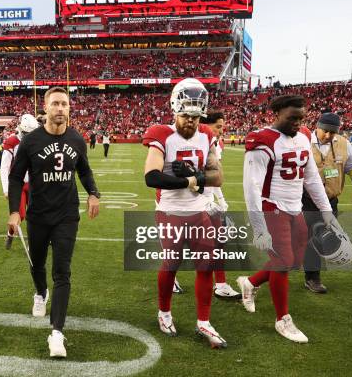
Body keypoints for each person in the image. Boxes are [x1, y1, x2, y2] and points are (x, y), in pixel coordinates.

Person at [7, 87, 100, 358]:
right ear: (45, 108)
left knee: (62, 271)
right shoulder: (31, 141)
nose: (60, 108)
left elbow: (84, 169)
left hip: (66, 216)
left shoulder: (77, 139)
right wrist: (15, 211)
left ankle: (57, 332)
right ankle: (40, 292)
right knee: (37, 263)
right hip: (38, 215)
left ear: (69, 109)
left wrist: (93, 193)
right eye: (55, 104)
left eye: (65, 104)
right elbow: (15, 178)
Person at [238, 95, 339, 343]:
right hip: (272, 206)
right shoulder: (264, 140)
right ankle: (282, 319)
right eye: (291, 117)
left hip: (295, 207)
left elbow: (312, 179)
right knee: (283, 261)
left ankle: (250, 283)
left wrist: (326, 212)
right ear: (276, 114)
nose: (297, 122)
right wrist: (259, 228)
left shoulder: (303, 138)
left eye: (300, 118)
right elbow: (251, 187)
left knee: (292, 261)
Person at [142, 78, 226, 348]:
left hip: (199, 210)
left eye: (195, 116)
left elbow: (218, 176)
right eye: (186, 115)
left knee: (206, 266)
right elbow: (152, 177)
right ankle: (164, 313)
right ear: (175, 110)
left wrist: (196, 176)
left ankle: (204, 321)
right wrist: (186, 182)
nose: (191, 121)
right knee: (171, 264)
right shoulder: (161, 134)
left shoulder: (207, 135)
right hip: (170, 211)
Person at [302, 113, 352, 293]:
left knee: (322, 238)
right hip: (306, 200)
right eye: (326, 131)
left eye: (333, 132)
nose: (329, 135)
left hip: (330, 200)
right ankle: (311, 276)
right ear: (317, 126)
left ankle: (312, 274)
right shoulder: (304, 142)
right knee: (311, 239)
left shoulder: (344, 144)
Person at [201, 111, 240, 299]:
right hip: (188, 202)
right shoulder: (192, 143)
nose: (221, 130)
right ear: (205, 125)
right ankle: (171, 277)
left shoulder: (216, 144)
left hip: (208, 202)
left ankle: (221, 284)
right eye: (218, 126)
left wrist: (220, 201)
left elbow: (215, 178)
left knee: (219, 240)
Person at [0, 114, 39, 249]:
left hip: (34, 183)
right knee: (20, 214)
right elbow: (4, 167)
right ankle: (10, 234)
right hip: (19, 185)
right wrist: (6, 188)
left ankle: (32, 241)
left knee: (36, 214)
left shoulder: (37, 141)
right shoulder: (12, 141)